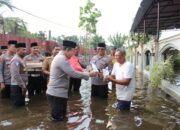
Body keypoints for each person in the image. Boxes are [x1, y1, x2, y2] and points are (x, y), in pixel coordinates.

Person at [46, 40, 97, 121]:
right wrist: (89, 74)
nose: (74, 54)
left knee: (62, 118)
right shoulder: (62, 59)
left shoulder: (61, 57)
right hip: (56, 94)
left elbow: (74, 70)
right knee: (58, 120)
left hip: (58, 93)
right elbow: (73, 73)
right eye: (73, 51)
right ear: (67, 50)